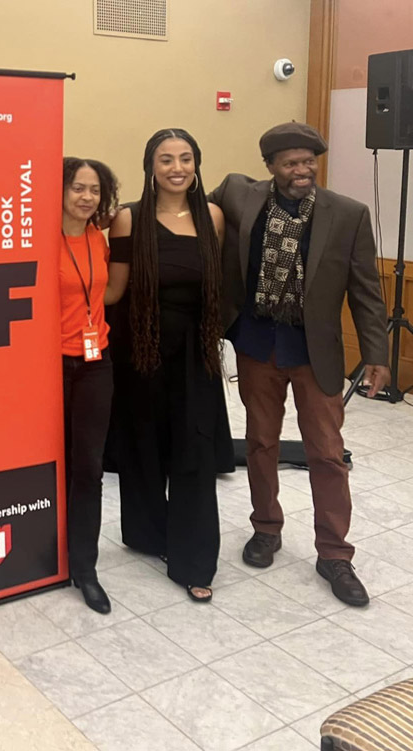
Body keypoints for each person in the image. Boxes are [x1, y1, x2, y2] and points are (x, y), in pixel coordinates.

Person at [209, 122, 389, 607]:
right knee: (261, 443)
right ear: (270, 167)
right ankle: (266, 528)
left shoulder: (348, 214)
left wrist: (376, 354)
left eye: (309, 161)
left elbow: (367, 291)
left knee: (327, 453)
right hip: (256, 344)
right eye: (291, 163)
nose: (302, 170)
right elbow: (184, 211)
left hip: (315, 351)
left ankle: (334, 554)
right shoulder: (239, 196)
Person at [108, 128, 232, 603]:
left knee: (193, 453)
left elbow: (214, 286)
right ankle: (146, 534)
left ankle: (194, 559)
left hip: (194, 355)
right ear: (150, 167)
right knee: (144, 447)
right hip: (141, 351)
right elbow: (115, 291)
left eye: (185, 158)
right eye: (166, 160)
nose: (177, 168)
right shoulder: (128, 220)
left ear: (197, 164)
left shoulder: (213, 217)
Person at [59, 157, 129, 614]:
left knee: (88, 466)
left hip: (95, 361)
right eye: (78, 188)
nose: (87, 197)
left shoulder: (97, 238)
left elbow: (103, 294)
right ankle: (41, 556)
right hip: (48, 366)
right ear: (60, 191)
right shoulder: (37, 240)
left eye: (94, 190)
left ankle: (85, 567)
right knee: (47, 463)